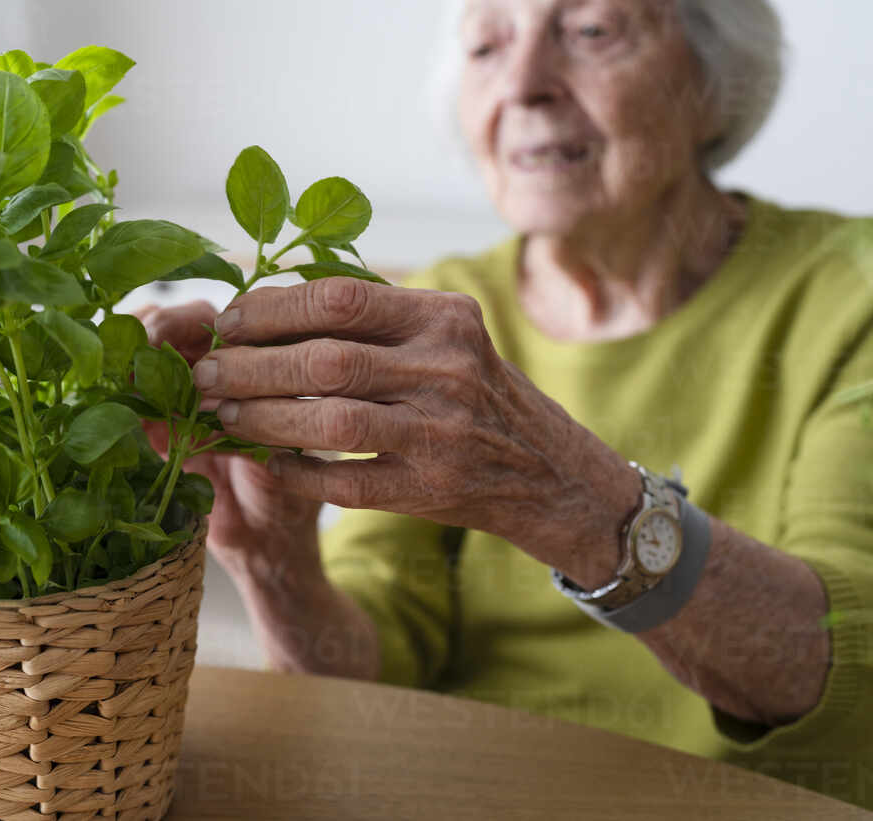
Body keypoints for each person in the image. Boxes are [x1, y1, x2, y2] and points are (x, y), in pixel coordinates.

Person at [138, 0, 873, 808]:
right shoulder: (446, 310)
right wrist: (275, 563)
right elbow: (376, 663)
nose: (524, 84)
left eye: (592, 31)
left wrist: (568, 496)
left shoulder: (850, 293)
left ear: (712, 80)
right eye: (486, 46)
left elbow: (843, 670)